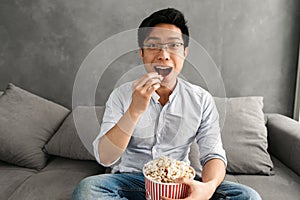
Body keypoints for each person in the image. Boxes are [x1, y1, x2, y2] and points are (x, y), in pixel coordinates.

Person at [72, 8, 262, 200]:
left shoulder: (201, 99)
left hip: (181, 183)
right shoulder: (121, 95)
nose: (163, 55)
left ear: (185, 53)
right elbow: (105, 157)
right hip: (131, 182)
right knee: (88, 190)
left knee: (247, 196)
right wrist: (134, 111)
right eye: (153, 46)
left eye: (173, 45)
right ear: (142, 53)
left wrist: (208, 188)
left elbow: (213, 154)